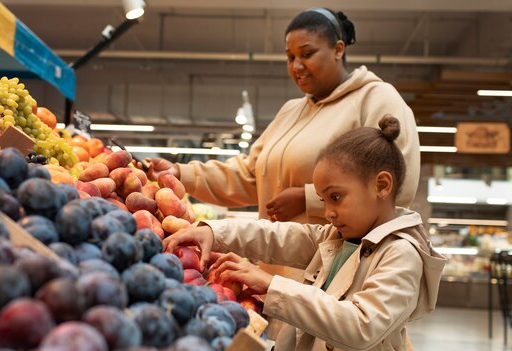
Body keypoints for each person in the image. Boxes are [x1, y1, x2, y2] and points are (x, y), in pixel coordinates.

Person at [164, 115, 445, 351]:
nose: (329, 213)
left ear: (382, 185)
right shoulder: (337, 237)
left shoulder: (402, 254)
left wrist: (272, 286)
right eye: (324, 201)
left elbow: (360, 325)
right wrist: (213, 232)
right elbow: (276, 236)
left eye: (336, 197)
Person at [146, 7, 420, 227]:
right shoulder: (292, 111)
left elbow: (398, 186)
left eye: (307, 54)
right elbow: (249, 176)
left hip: (332, 278)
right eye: (290, 57)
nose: (296, 66)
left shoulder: (375, 99)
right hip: (276, 273)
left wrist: (310, 199)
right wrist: (181, 172)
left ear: (338, 49)